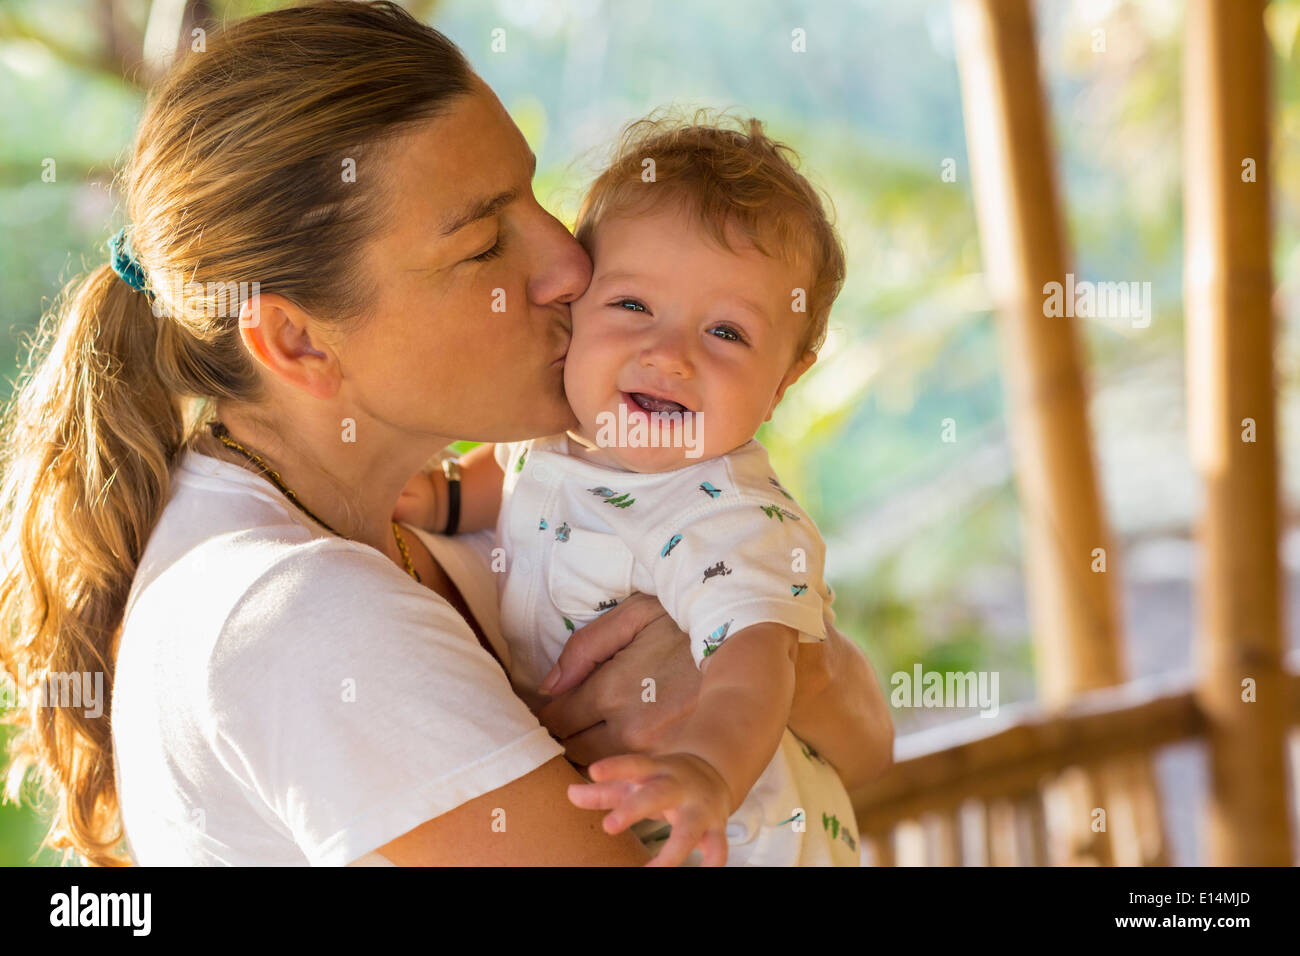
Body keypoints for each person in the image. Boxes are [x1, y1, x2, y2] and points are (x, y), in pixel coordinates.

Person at [0, 0, 892, 867]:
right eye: (481, 245)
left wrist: (759, 667)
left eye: (535, 195)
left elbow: (865, 747)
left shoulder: (433, 524)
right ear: (299, 340)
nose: (569, 263)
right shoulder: (299, 612)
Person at [396, 113, 862, 866]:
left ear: (785, 382)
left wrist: (706, 771)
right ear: (573, 308)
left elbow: (753, 666)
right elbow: (517, 476)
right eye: (634, 307)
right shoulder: (555, 433)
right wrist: (445, 497)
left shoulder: (733, 518)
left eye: (728, 333)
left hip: (739, 837)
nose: (668, 354)